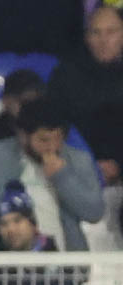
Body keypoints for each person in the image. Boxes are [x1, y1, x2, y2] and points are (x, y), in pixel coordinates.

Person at [0, 101, 106, 251]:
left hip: (63, 256)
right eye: (43, 140)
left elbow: (94, 213)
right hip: (2, 256)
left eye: (58, 138)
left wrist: (62, 177)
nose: (52, 147)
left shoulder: (78, 160)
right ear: (23, 135)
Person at [48, 6, 123, 186]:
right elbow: (55, 126)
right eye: (95, 32)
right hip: (76, 172)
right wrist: (87, 165)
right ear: (86, 38)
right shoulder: (65, 75)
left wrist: (119, 166)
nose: (103, 40)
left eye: (111, 32)